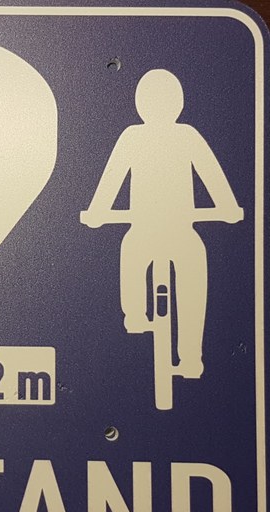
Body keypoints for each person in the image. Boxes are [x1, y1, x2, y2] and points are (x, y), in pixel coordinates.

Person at [81, 69, 243, 378]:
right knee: (137, 251)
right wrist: (97, 210)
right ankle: (136, 316)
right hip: (153, 228)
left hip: (176, 229)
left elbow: (211, 174)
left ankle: (189, 355)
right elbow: (112, 179)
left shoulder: (184, 136)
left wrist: (227, 205)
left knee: (171, 262)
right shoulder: (134, 137)